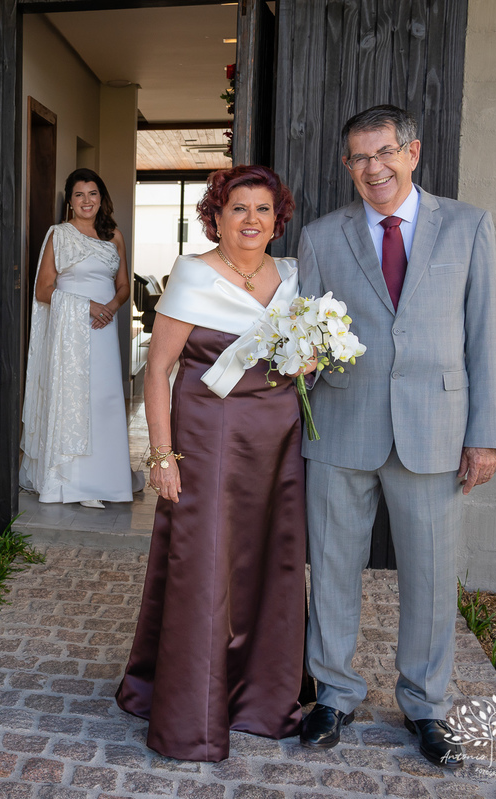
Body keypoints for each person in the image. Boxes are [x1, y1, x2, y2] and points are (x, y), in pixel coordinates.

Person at [297, 105, 496, 768]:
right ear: (346, 165)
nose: (372, 168)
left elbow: (484, 338)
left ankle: (425, 704)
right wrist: (306, 360)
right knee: (331, 568)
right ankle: (333, 691)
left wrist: (485, 435)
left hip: (435, 430)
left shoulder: (468, 226)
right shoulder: (321, 236)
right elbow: (309, 335)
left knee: (431, 577)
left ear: (413, 152)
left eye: (384, 152)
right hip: (340, 425)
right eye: (358, 157)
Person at [116, 165, 309, 762]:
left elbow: (296, 353)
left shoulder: (292, 274)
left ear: (279, 218)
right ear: (216, 217)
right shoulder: (193, 274)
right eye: (238, 209)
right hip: (209, 441)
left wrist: (310, 362)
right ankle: (190, 712)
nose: (251, 220)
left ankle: (262, 698)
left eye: (263, 209)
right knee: (206, 564)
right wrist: (162, 455)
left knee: (268, 565)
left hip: (278, 447)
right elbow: (158, 371)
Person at [19, 168, 133, 510]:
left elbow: (124, 284)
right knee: (73, 399)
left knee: (105, 399)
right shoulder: (59, 235)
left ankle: (106, 480)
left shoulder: (114, 236)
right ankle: (73, 482)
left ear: (102, 198)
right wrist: (87, 307)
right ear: (70, 201)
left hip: (105, 328)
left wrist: (111, 306)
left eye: (93, 193)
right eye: (80, 194)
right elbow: (43, 290)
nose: (87, 200)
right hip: (71, 333)